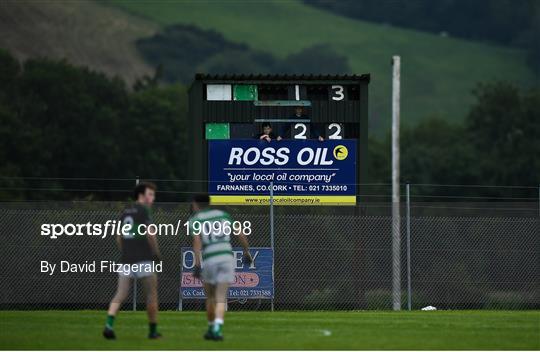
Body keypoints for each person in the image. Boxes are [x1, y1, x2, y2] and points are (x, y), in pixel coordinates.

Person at [103, 182, 162, 340]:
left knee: (120, 294)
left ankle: (109, 324)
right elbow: (150, 234)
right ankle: (152, 331)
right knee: (151, 295)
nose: (152, 197)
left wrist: (126, 251)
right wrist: (156, 253)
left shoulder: (125, 212)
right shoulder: (144, 210)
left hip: (126, 259)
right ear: (141, 195)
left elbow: (118, 237)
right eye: (150, 194)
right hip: (143, 258)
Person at [189, 194, 252, 341]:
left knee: (210, 297)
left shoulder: (195, 219)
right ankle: (217, 328)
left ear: (196, 205)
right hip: (226, 257)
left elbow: (197, 242)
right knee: (221, 297)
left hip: (210, 258)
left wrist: (197, 264)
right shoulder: (224, 215)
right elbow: (240, 233)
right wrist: (246, 252)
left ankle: (212, 327)